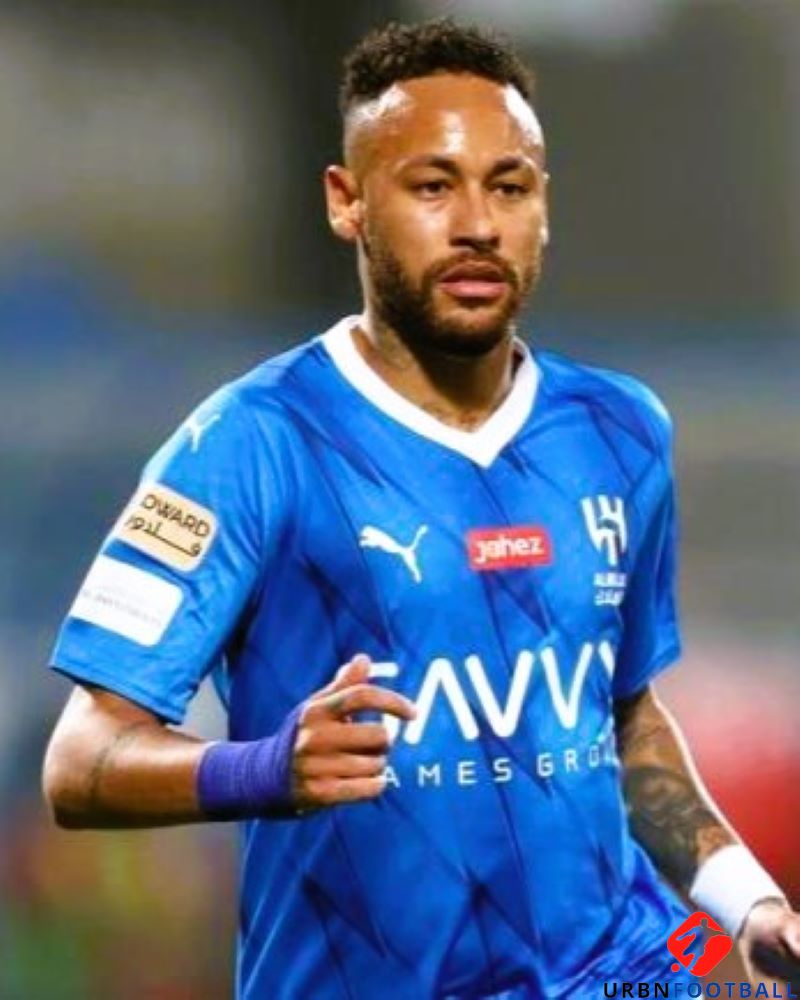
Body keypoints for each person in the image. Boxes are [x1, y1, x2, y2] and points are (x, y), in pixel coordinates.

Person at [43, 18, 800, 1000]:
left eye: (508, 186)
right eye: (433, 186)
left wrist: (746, 900)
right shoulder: (248, 444)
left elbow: (619, 718)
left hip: (619, 973)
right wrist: (264, 769)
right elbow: (81, 763)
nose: (477, 223)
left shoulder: (619, 431)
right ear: (346, 202)